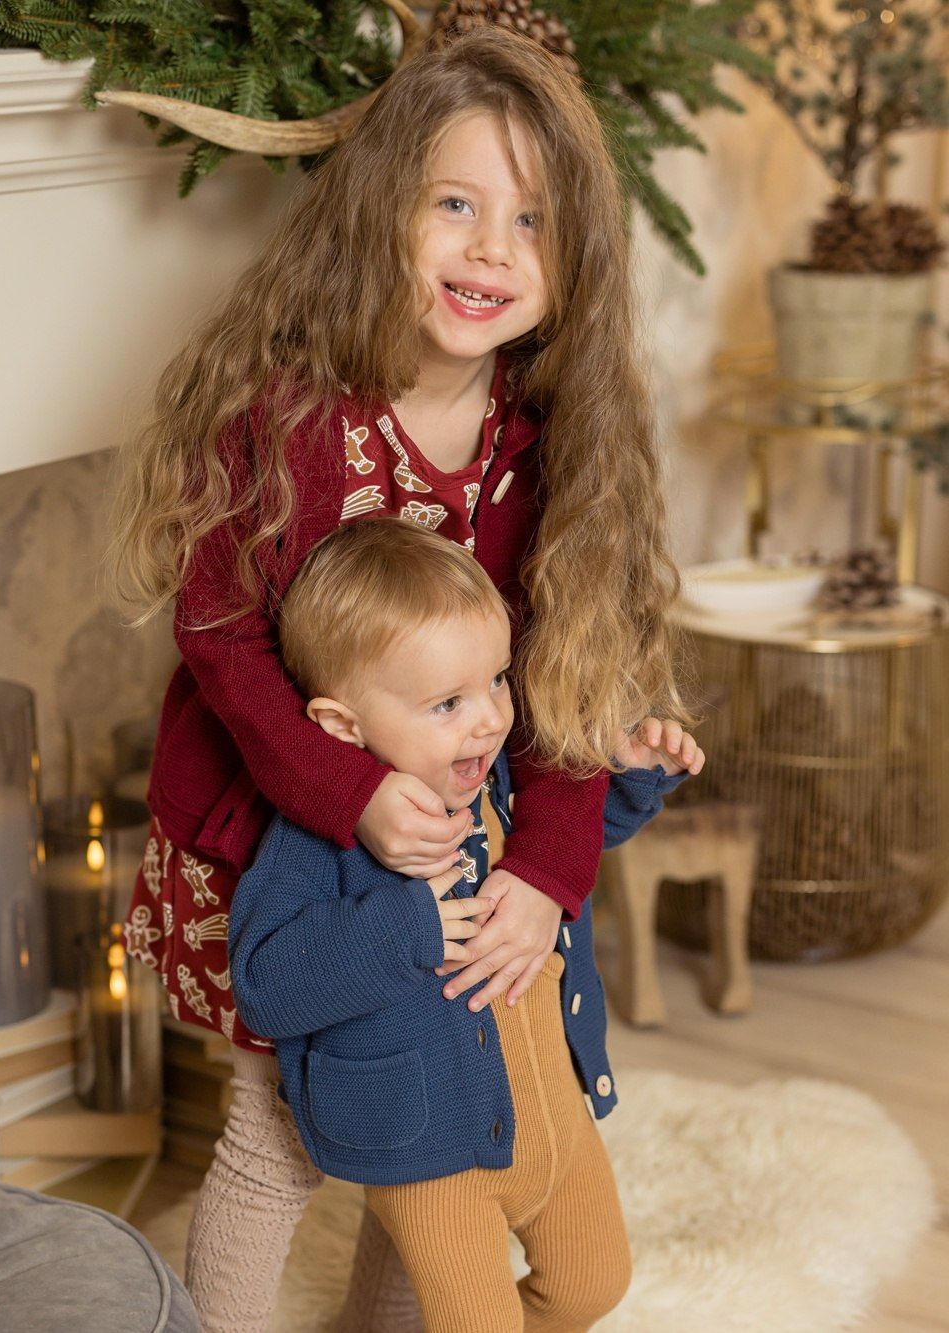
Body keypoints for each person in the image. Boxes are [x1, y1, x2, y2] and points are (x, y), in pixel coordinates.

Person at [113, 24, 700, 1333]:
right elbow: (221, 637)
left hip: (458, 838)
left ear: (575, 258)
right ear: (384, 207)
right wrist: (349, 791)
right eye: (456, 205)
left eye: (531, 221)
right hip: (281, 829)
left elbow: (568, 681)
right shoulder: (288, 419)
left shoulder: (548, 447)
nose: (492, 249)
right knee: (274, 1136)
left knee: (430, 1117)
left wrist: (546, 873)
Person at [230, 518, 699, 1332]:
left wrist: (633, 782)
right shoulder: (317, 836)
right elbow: (267, 982)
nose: (488, 719)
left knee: (594, 1282)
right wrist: (407, 928)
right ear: (342, 726)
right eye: (448, 702)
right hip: (432, 1153)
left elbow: (573, 851)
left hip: (552, 1112)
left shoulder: (501, 777)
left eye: (497, 681)